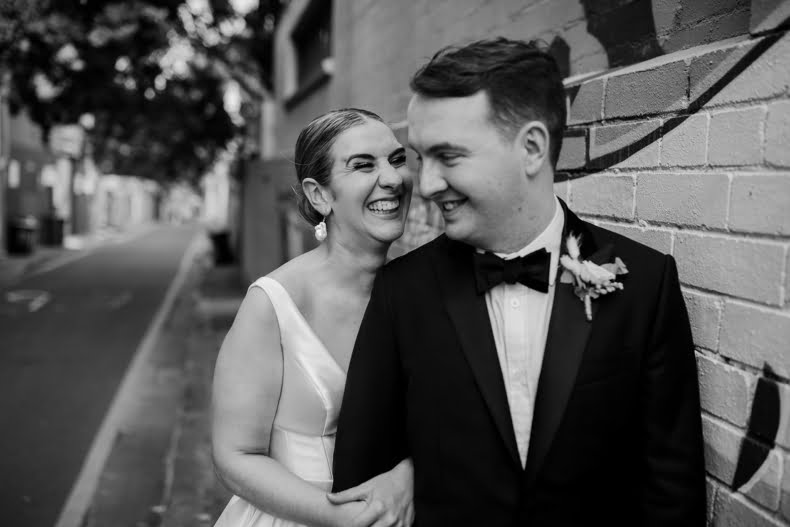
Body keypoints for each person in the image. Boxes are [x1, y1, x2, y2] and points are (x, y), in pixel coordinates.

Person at [332, 38, 707, 526]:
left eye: (449, 156)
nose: (425, 186)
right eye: (422, 159)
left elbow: (673, 490)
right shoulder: (401, 292)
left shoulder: (644, 285)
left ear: (531, 148)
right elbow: (361, 480)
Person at [212, 108, 416, 527]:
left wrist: (409, 476)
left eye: (397, 159)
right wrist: (346, 518)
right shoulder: (274, 304)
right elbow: (235, 457)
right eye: (363, 165)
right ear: (319, 195)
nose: (393, 178)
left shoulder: (422, 289)